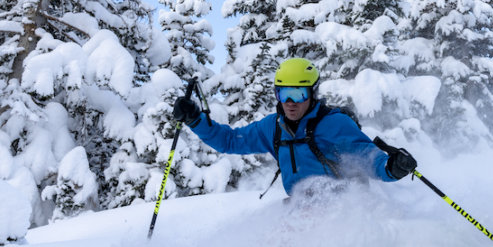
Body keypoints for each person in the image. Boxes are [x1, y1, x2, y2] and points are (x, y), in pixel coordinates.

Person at [172, 58, 417, 196]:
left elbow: (366, 156)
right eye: (283, 93)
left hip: (343, 204)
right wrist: (195, 120)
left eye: (298, 93)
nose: (289, 102)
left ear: (312, 93)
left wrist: (390, 167)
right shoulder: (273, 127)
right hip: (302, 205)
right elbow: (230, 140)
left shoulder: (333, 123)